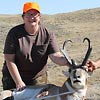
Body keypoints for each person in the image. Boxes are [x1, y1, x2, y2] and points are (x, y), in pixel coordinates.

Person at [2, 2, 68, 91]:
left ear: (39, 17)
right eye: (28, 14)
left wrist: (70, 63)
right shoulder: (14, 33)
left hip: (37, 78)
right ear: (23, 17)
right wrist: (18, 81)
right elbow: (9, 60)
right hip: (14, 77)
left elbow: (55, 56)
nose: (32, 17)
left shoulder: (48, 34)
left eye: (35, 14)